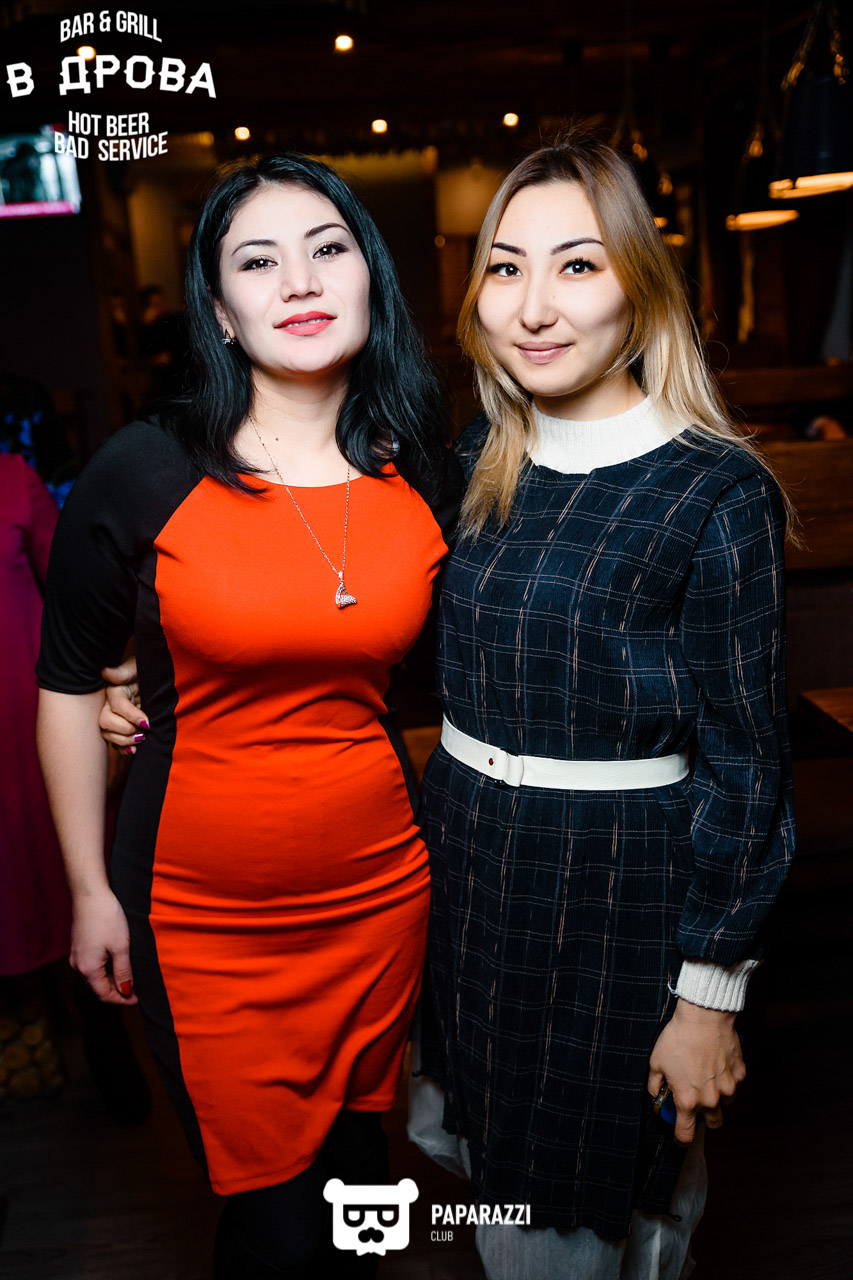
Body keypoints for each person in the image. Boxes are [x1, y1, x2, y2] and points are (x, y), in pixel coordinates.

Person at [36, 153, 460, 1279]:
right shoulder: (145, 468)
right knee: (278, 1230)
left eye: (327, 249)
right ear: (220, 313)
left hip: (379, 901)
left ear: (369, 280)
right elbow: (68, 679)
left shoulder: (422, 472)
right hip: (201, 919)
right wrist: (88, 889)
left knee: (358, 1198)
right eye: (257, 262)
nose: (299, 281)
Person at [416, 133, 795, 1278]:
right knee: (495, 1184)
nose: (532, 306)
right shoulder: (481, 452)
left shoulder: (714, 488)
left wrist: (707, 999)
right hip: (472, 872)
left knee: (584, 1209)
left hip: (613, 891)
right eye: (505, 266)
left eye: (577, 264)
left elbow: (747, 765)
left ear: (640, 285)